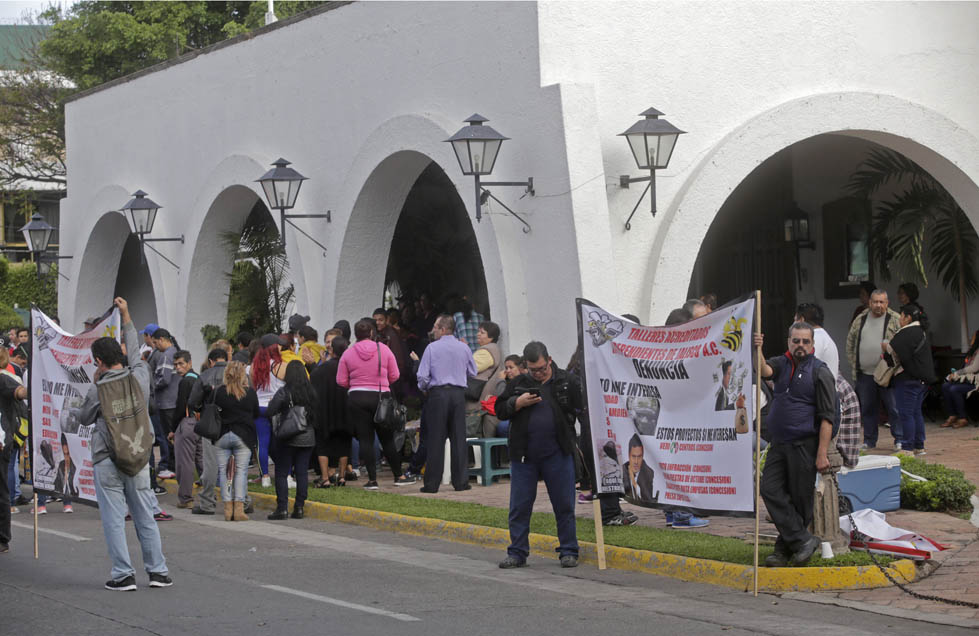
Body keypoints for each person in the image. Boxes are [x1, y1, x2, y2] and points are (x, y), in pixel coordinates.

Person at [78, 297, 171, 590]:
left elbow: (84, 417)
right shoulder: (140, 377)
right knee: (145, 516)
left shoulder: (99, 389)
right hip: (139, 456)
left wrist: (95, 383)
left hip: (107, 459)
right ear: (120, 355)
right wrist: (127, 314)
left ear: (98, 362)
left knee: (114, 520)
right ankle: (158, 572)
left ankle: (123, 574)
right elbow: (134, 350)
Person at [754, 322, 834, 567]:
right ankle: (802, 541)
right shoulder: (783, 363)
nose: (800, 345)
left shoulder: (820, 371)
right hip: (779, 444)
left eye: (805, 341)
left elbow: (828, 417)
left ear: (812, 344)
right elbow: (764, 370)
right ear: (789, 341)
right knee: (769, 488)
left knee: (799, 500)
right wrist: (758, 348)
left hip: (804, 445)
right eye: (796, 341)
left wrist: (822, 454)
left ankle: (783, 550)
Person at [495, 341, 581, 569]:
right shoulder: (518, 383)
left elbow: (583, 409)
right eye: (533, 370)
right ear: (525, 366)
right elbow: (499, 410)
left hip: (558, 452)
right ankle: (517, 552)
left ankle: (568, 550)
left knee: (564, 505)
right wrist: (517, 403)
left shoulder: (566, 381)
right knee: (519, 506)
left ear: (549, 360)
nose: (539, 374)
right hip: (524, 456)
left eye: (542, 368)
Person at [337, 319, 413, 490]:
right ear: (371, 333)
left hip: (357, 397)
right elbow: (395, 375)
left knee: (365, 439)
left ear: (356, 335)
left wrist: (355, 384)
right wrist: (382, 382)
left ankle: (372, 480)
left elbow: (341, 380)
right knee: (387, 439)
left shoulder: (348, 353)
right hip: (380, 397)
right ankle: (398, 475)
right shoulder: (383, 349)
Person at [416, 314, 476, 493]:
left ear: (443, 329)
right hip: (458, 394)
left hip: (438, 393)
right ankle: (461, 482)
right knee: (458, 437)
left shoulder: (432, 348)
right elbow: (473, 371)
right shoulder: (463, 347)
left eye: (435, 327)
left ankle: (432, 484)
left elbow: (422, 376)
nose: (433, 330)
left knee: (436, 438)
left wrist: (424, 388)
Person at [845, 289, 901, 449]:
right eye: (875, 302)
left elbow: (903, 342)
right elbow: (850, 342)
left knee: (894, 408)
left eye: (881, 302)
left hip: (887, 373)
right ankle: (869, 441)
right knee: (868, 409)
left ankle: (900, 439)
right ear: (870, 303)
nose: (878, 305)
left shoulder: (895, 319)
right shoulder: (861, 318)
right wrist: (854, 363)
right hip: (865, 374)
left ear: (887, 303)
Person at [266, 360, 317, 519]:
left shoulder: (284, 392)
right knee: (302, 472)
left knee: (281, 472)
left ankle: (282, 508)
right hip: (307, 437)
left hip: (287, 437)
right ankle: (299, 507)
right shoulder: (311, 392)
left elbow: (270, 411)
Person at [883, 304, 936, 455]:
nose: (900, 319)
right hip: (921, 381)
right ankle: (919, 445)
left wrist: (885, 347)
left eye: (901, 316)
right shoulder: (921, 331)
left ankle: (907, 448)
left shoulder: (906, 333)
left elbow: (892, 353)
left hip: (907, 380)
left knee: (906, 414)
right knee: (916, 412)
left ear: (908, 317)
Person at [213, 361, 258, 520]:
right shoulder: (250, 393)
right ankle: (239, 509)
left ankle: (227, 508)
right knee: (241, 472)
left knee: (224, 472)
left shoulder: (219, 392)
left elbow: (214, 411)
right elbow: (256, 413)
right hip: (243, 436)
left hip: (222, 435)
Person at [187, 348, 229, 515]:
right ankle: (242, 500)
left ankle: (207, 503)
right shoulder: (237, 374)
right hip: (234, 424)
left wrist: (201, 409)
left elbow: (193, 402)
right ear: (226, 358)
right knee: (235, 464)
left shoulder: (205, 376)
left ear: (211, 361)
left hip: (211, 424)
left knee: (211, 465)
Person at [311, 336, 352, 487]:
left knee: (322, 444)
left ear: (332, 350)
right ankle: (341, 476)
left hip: (325, 411)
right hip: (345, 411)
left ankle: (325, 478)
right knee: (344, 443)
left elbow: (313, 388)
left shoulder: (321, 370)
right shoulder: (349, 368)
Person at [0, 346, 28, 552]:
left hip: (1, 442)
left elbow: (20, 392)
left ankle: (2, 538)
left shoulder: (3, 379)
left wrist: (32, 387)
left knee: (1, 489)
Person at [249, 337, 287, 487]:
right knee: (282, 442)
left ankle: (265, 476)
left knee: (262, 443)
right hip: (277, 407)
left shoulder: (254, 366)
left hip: (260, 407)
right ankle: (286, 474)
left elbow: (253, 387)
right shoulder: (281, 366)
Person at [168, 350, 200, 509]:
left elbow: (181, 407)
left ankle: (186, 498)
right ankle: (209, 495)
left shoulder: (185, 382)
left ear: (189, 363)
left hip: (187, 422)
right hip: (201, 424)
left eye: (181, 364)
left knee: (185, 462)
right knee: (202, 461)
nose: (178, 368)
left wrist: (173, 428)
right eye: (175, 365)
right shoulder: (199, 378)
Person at [150, 328, 179, 478]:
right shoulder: (175, 352)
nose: (155, 346)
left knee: (169, 437)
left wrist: (153, 385)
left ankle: (171, 467)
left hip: (167, 403)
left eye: (155, 343)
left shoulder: (166, 356)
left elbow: (164, 379)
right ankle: (174, 466)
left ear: (162, 339)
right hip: (173, 401)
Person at [468, 321, 504, 438]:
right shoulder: (491, 349)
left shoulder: (487, 351)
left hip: (478, 403)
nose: (478, 334)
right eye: (478, 331)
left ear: (491, 337)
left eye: (482, 332)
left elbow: (469, 368)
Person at [941, 334, 978, 429]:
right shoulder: (973, 352)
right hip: (968, 380)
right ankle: (952, 415)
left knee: (955, 389)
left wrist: (957, 373)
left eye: (973, 338)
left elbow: (974, 368)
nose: (971, 340)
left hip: (976, 382)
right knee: (946, 386)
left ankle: (962, 417)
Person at [622, 434, 656, 503]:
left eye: (639, 456)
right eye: (633, 456)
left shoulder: (649, 473)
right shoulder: (621, 471)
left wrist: (634, 483)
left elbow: (647, 499)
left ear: (643, 456)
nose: (636, 462)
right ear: (629, 455)